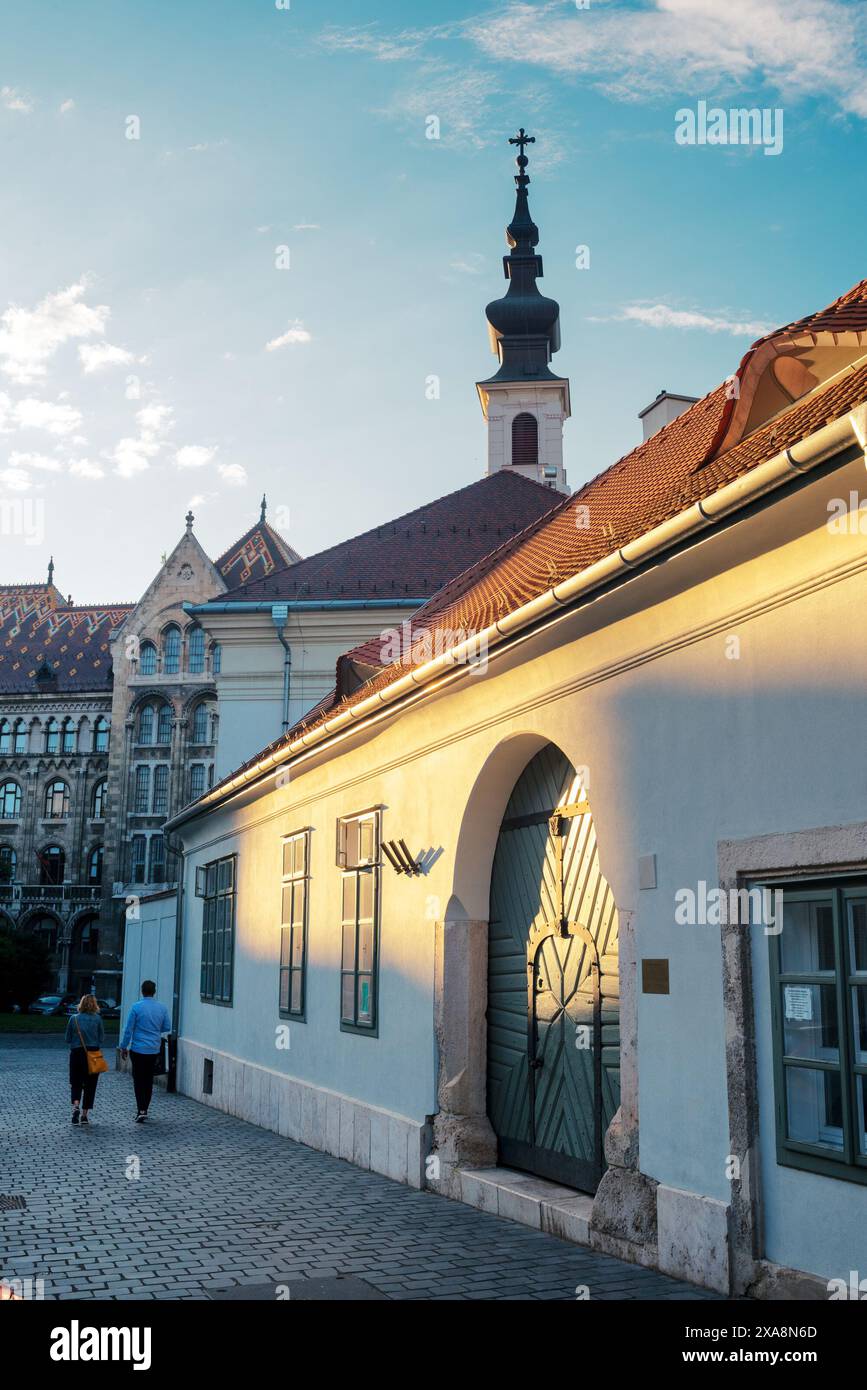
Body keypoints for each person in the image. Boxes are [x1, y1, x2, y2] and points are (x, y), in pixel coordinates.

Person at [119, 980, 171, 1123]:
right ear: (154, 991)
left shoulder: (136, 1007)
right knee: (148, 1079)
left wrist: (124, 1046)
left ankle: (140, 1109)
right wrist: (154, 1029)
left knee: (138, 1079)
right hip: (153, 1048)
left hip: (138, 1048)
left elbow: (129, 1029)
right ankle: (145, 1109)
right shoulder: (162, 1008)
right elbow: (167, 1026)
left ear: (142, 991)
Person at [65, 995, 105, 1125]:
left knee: (76, 1082)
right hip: (93, 1054)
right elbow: (101, 1038)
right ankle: (84, 1115)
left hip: (76, 1053)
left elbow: (68, 1039)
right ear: (94, 1004)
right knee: (90, 1084)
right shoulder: (98, 1019)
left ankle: (76, 1105)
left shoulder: (74, 1019)